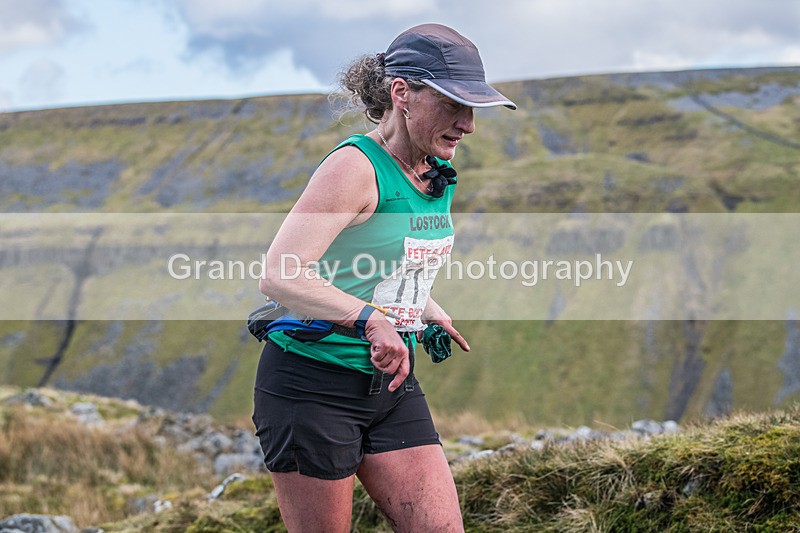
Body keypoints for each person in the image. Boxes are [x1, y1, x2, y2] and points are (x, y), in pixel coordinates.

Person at [254, 23, 516, 532]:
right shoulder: (354, 168)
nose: (468, 125)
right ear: (402, 94)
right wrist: (372, 320)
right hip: (311, 387)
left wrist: (423, 306)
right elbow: (280, 274)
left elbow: (375, 264)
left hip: (390, 388)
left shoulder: (433, 170)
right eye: (453, 105)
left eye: (473, 109)